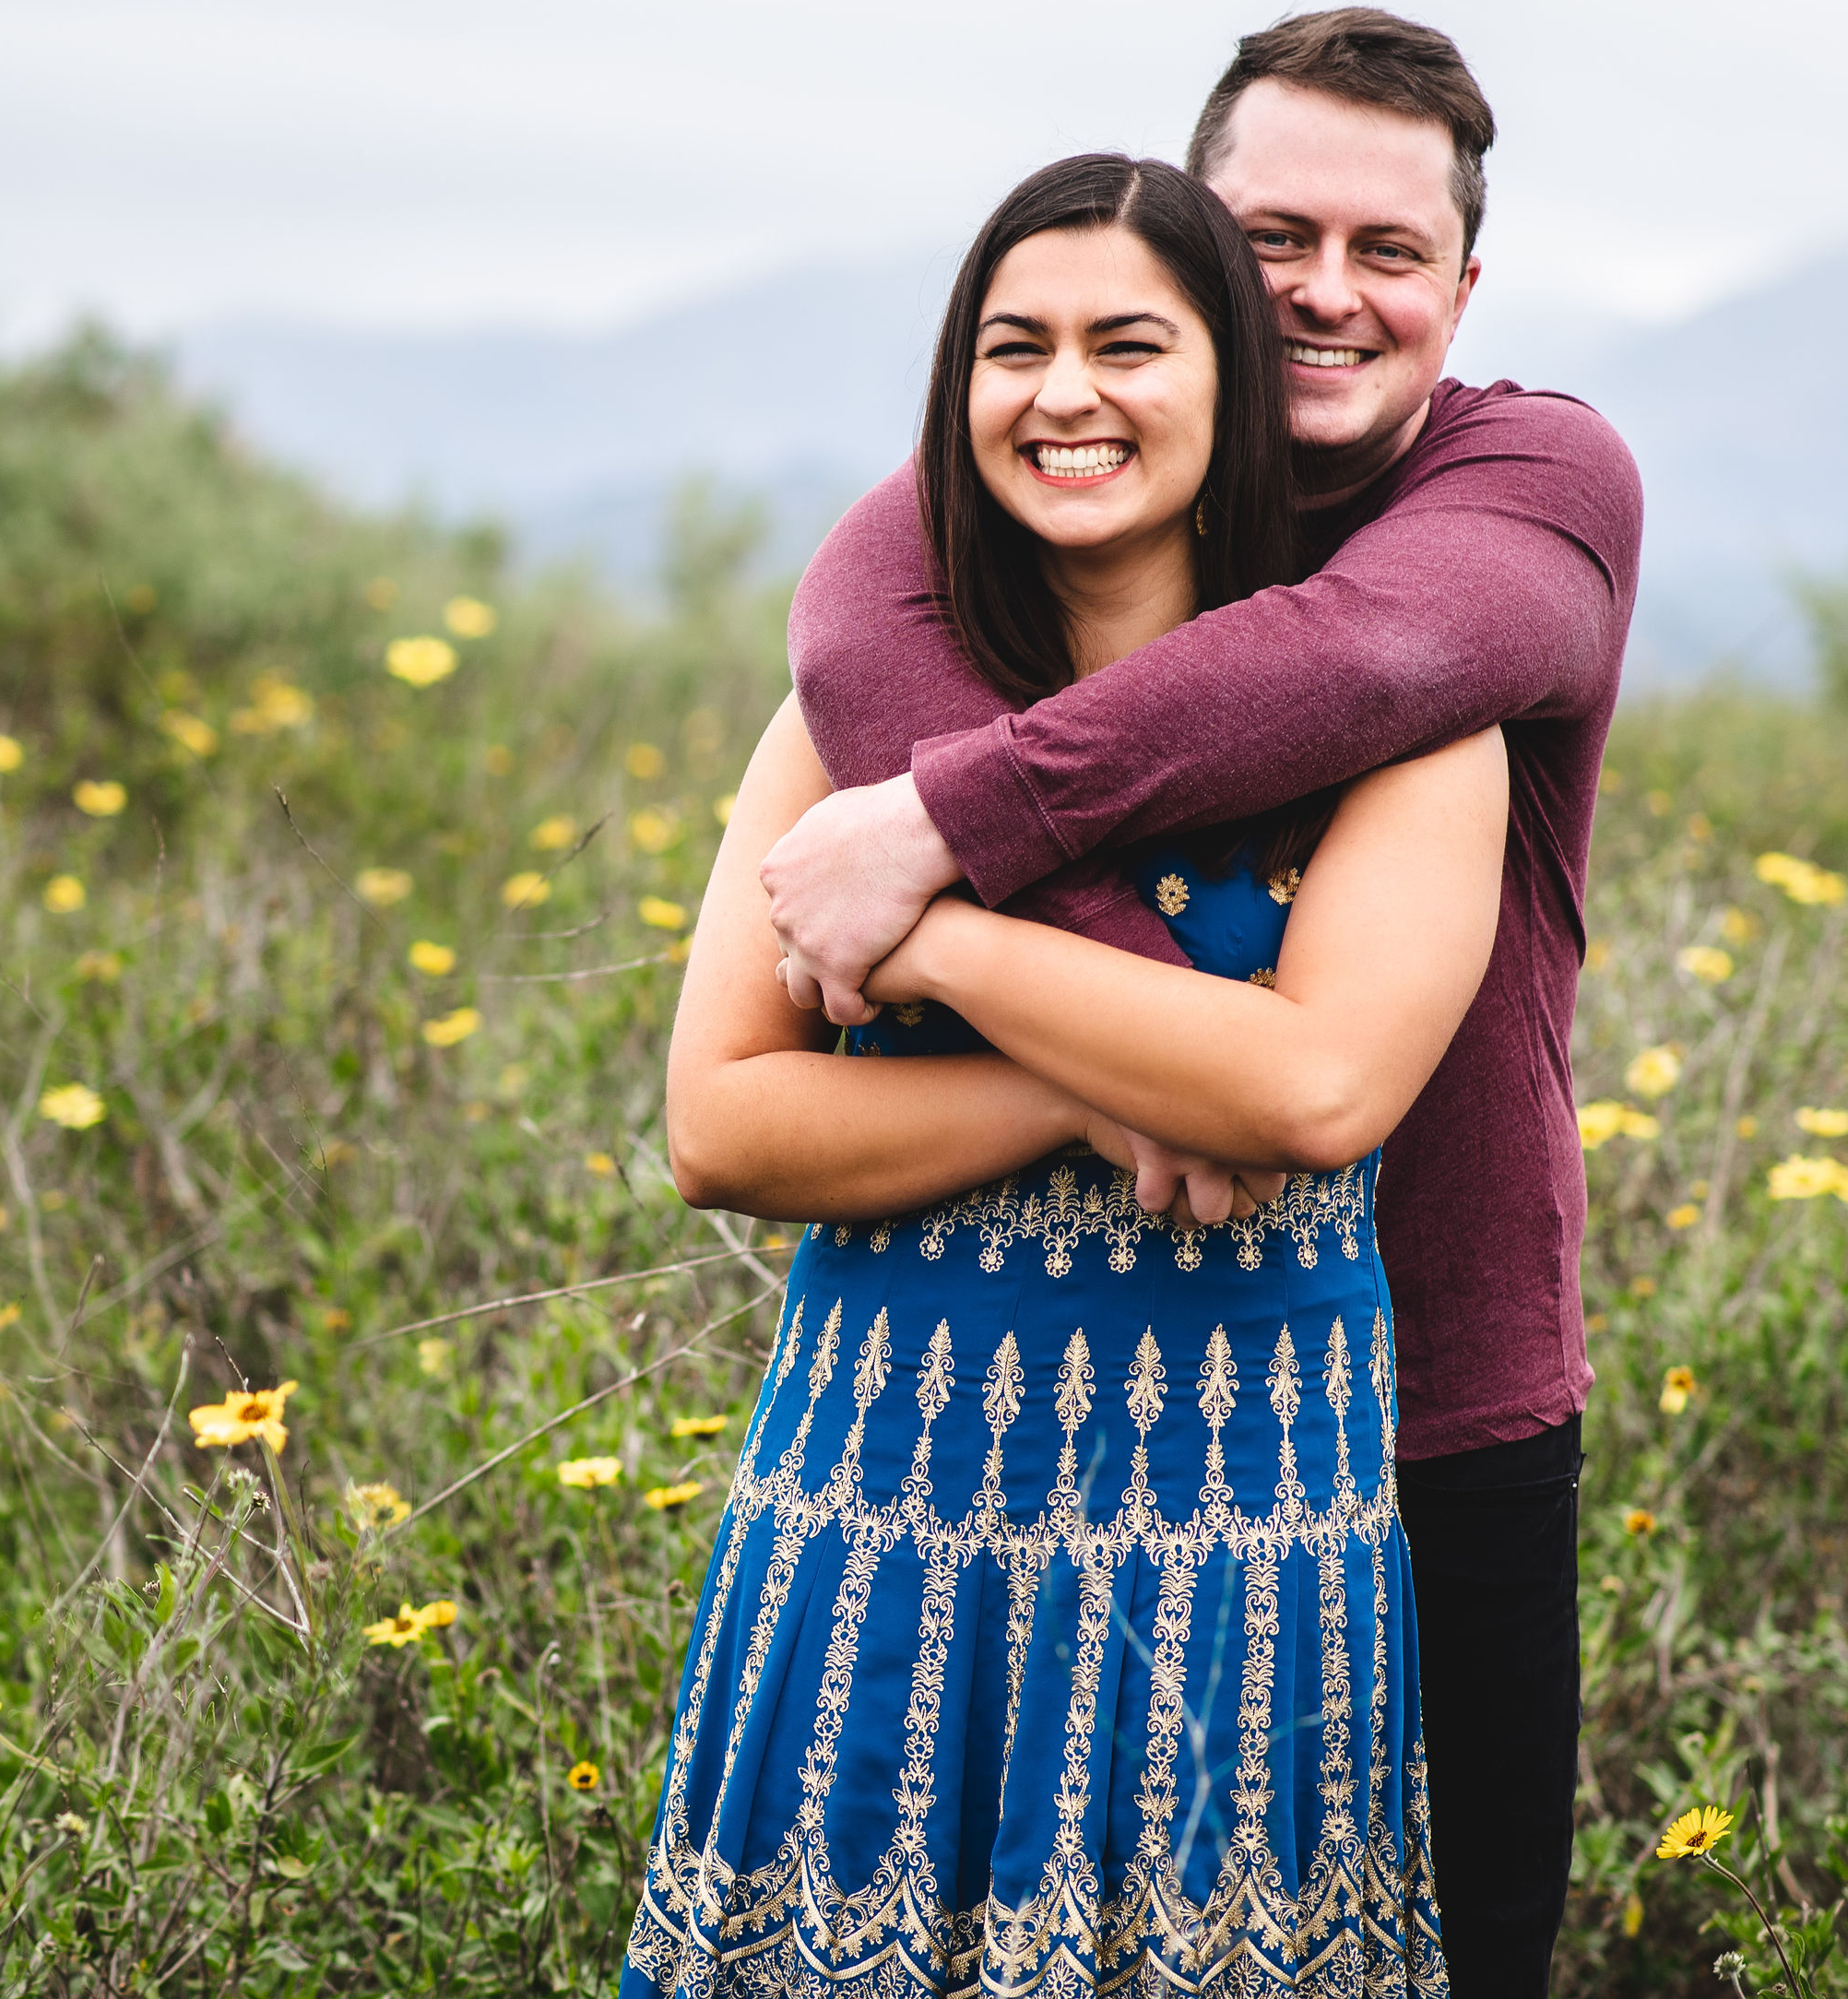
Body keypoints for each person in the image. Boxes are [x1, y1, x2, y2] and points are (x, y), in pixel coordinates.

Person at [760, 8, 1641, 1995]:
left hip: (1433, 1406)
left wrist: (962, 869)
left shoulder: (1531, 483)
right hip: (1039, 1432)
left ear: (1464, 285)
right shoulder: (1048, 473)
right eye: (1272, 238)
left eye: (1391, 251)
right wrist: (1154, 1059)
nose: (1331, 293)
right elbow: (850, 616)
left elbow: (1364, 653)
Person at [623, 150, 1487, 1997]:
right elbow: (719, 1120)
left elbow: (1316, 1094)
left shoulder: (1403, 717)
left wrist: (933, 938)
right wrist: (1091, 1088)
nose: (1066, 394)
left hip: (1238, 1542)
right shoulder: (846, 714)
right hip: (891, 1513)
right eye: (1013, 349)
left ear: (1233, 385)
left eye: (1129, 345)